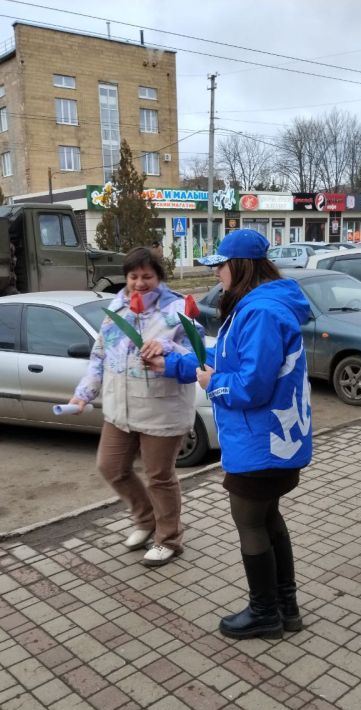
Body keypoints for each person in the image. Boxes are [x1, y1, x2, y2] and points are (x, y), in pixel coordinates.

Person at [147, 229, 312, 638]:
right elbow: (220, 360)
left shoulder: (260, 313)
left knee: (250, 521)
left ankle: (265, 613)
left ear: (238, 266)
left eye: (219, 265)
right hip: (268, 441)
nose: (216, 273)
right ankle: (284, 607)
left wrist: (211, 384)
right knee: (268, 520)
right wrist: (173, 363)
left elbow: (249, 385)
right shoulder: (257, 306)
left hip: (262, 442)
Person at [69, 246, 202, 566]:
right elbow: (99, 356)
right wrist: (83, 394)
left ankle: (169, 538)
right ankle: (145, 520)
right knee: (110, 466)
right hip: (120, 408)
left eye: (147, 276)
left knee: (159, 477)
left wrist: (167, 345)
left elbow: (199, 357)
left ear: (159, 277)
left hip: (161, 409)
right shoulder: (118, 307)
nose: (139, 283)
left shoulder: (177, 309)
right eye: (133, 276)